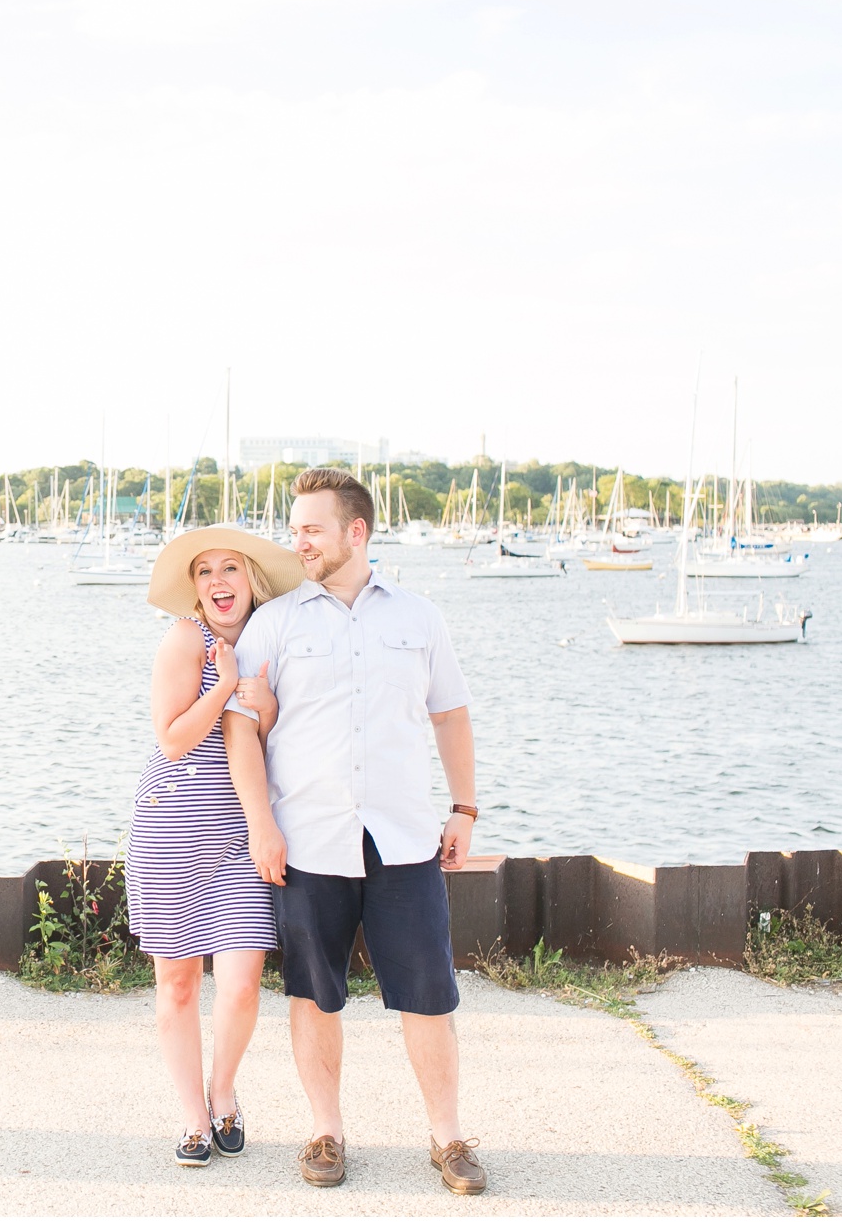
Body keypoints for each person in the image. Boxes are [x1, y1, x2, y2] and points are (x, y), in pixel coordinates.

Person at [222, 467, 488, 1195]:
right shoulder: (274, 623)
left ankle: (448, 1136)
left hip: (404, 839)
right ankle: (326, 1131)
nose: (298, 541)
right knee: (313, 992)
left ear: (356, 530)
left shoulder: (419, 616)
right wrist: (260, 826)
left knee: (430, 992)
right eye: (297, 527)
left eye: (312, 527)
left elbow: (451, 713)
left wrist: (464, 807)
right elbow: (241, 731)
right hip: (307, 840)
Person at [131, 526, 304, 1167]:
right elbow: (173, 740)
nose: (218, 583)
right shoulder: (186, 640)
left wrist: (267, 700)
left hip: (240, 834)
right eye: (205, 573)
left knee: (238, 983)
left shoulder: (275, 637)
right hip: (171, 828)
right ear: (195, 589)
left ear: (251, 579)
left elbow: (273, 741)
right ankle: (194, 1118)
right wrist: (221, 687)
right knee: (177, 985)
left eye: (230, 568)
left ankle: (224, 1089)